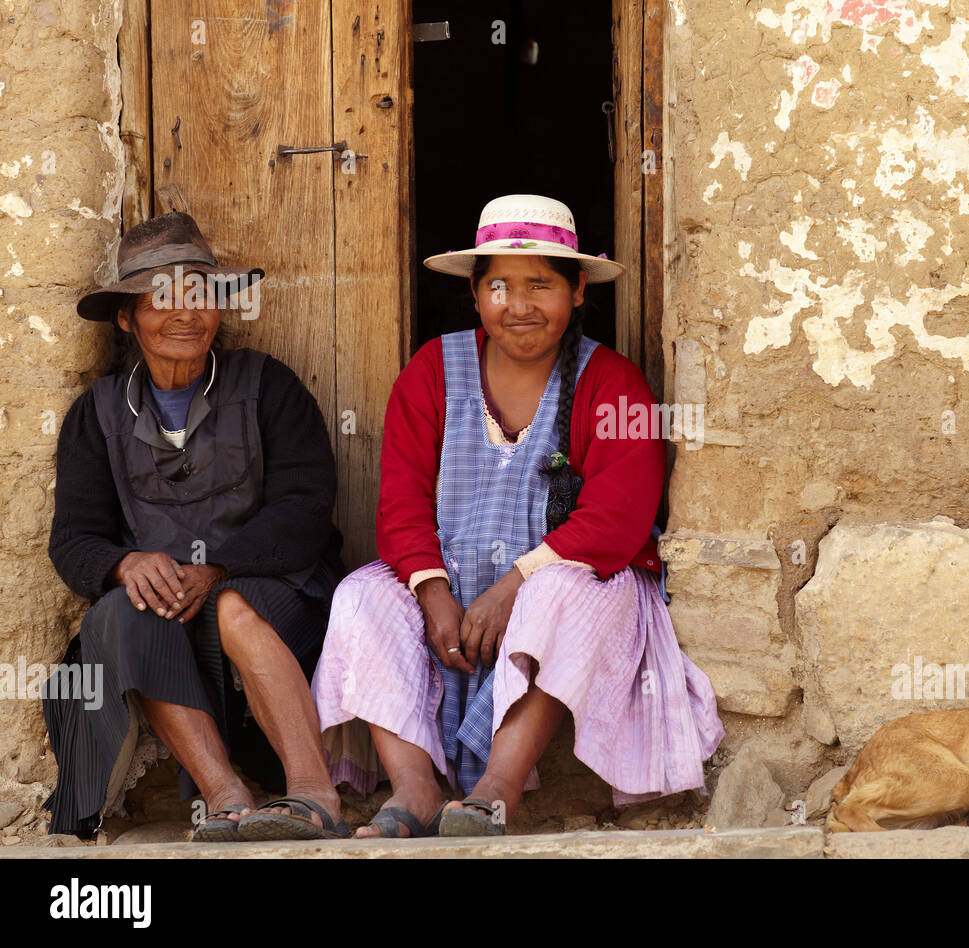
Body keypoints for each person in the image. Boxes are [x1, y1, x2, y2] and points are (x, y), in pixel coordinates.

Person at [312, 194, 724, 837]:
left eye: (541, 285)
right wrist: (432, 590)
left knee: (558, 596)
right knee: (362, 595)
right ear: (476, 295)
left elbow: (619, 517)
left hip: (575, 580)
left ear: (578, 289)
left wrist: (515, 584)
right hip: (447, 578)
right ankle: (414, 788)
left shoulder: (613, 384)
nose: (519, 305)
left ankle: (496, 790)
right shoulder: (431, 372)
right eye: (499, 285)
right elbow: (400, 502)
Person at [44, 211, 349, 841]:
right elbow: (74, 540)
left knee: (236, 606)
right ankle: (226, 796)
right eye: (162, 298)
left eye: (200, 295)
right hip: (166, 611)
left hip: (266, 589)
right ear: (127, 317)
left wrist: (219, 567)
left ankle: (314, 795)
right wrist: (125, 564)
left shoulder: (268, 386)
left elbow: (307, 507)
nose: (186, 314)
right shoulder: (95, 414)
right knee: (124, 611)